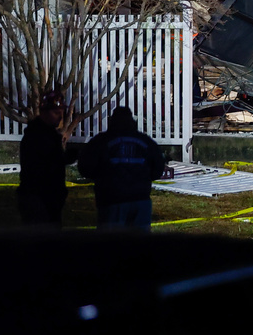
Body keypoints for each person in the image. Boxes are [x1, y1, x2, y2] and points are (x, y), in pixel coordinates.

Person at [78, 106, 167, 230]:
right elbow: (158, 168)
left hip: (111, 200)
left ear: (111, 121)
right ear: (132, 121)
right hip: (140, 199)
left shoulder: (100, 141)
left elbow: (85, 167)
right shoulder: (146, 142)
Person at [18, 90, 78, 227]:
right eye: (56, 113)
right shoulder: (37, 136)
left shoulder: (48, 134)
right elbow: (49, 162)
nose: (60, 117)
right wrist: (68, 157)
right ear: (44, 112)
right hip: (39, 198)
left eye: (61, 113)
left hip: (49, 197)